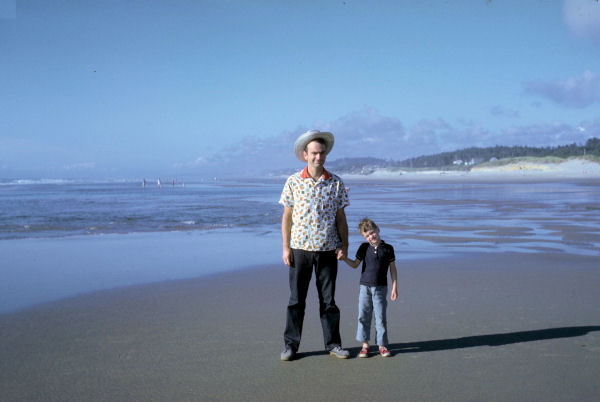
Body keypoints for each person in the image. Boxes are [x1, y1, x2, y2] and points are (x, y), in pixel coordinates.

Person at [279, 129, 350, 361]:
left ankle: (333, 344)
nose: (318, 157)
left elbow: (341, 219)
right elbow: (286, 218)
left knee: (328, 301)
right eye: (314, 153)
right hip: (299, 250)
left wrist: (344, 245)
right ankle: (290, 346)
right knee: (296, 300)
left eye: (322, 153)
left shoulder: (336, 183)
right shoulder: (293, 182)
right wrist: (286, 248)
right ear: (304, 154)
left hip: (328, 250)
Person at [341, 218, 397, 358]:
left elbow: (393, 269)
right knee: (363, 316)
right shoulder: (363, 248)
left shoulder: (388, 248)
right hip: (364, 287)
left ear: (378, 229)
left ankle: (382, 346)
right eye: (367, 236)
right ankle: (365, 346)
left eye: (372, 233)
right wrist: (344, 259)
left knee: (380, 317)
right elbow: (355, 265)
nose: (371, 237)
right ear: (363, 237)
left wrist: (394, 287)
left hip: (380, 288)